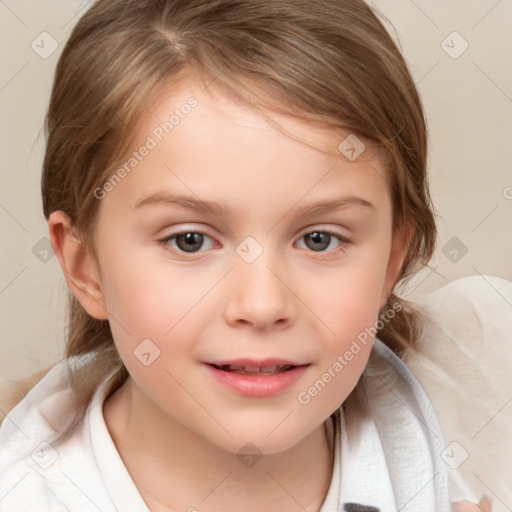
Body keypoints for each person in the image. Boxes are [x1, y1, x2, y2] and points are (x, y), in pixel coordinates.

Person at [0, 0, 493, 510]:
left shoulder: (481, 431)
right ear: (87, 268)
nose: (261, 305)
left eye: (319, 239)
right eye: (189, 240)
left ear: (391, 260)